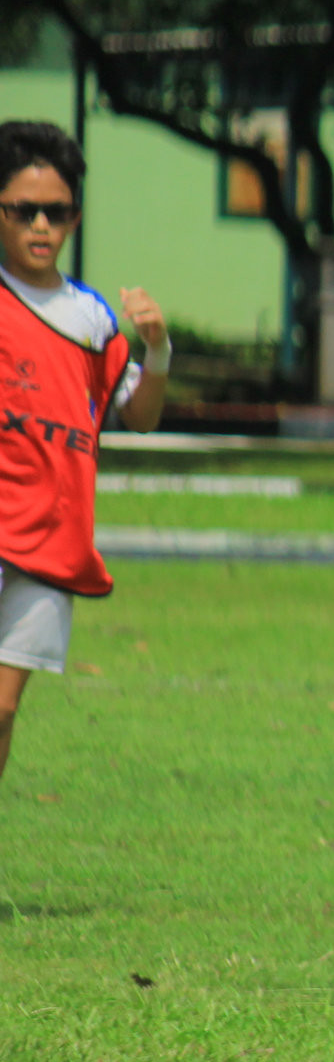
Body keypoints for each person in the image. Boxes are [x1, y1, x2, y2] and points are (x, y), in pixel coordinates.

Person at [0, 121, 169, 787]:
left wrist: (157, 346)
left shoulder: (89, 317)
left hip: (51, 542)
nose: (42, 225)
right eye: (23, 210)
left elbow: (142, 414)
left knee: (4, 708)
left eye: (58, 211)